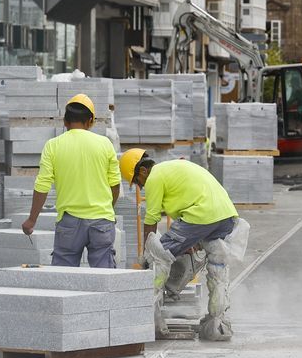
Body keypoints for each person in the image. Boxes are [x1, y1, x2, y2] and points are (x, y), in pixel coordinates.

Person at [120, 148, 238, 341]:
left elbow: (151, 219)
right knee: (217, 264)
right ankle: (217, 324)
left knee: (158, 255)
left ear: (142, 172)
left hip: (201, 215)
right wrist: (189, 241)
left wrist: (146, 256)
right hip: (225, 216)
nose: (139, 187)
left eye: (137, 182)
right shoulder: (172, 168)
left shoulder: (154, 177)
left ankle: (150, 320)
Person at [23, 94, 121, 268]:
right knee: (104, 280)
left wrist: (32, 220)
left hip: (69, 223)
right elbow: (115, 184)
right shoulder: (105, 144)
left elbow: (42, 186)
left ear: (65, 121)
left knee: (64, 279)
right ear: (91, 121)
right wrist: (107, 209)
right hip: (101, 221)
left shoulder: (53, 145)